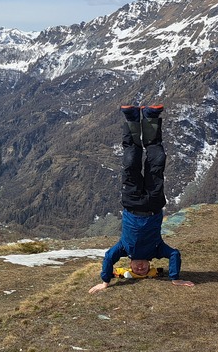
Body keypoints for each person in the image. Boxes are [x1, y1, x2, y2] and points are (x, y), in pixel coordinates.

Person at [89, 104, 195, 294]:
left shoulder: (123, 248)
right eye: (144, 269)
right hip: (154, 204)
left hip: (131, 203)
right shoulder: (157, 250)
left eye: (137, 270)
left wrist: (105, 281)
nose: (140, 269)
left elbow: (107, 257)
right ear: (149, 265)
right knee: (158, 160)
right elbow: (174, 254)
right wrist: (175, 278)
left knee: (131, 161)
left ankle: (131, 119)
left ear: (129, 265)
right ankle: (151, 118)